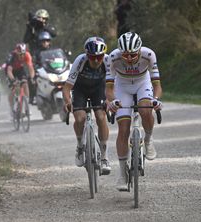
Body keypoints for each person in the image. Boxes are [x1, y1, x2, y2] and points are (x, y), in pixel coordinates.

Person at [105, 32, 163, 191]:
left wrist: (156, 99)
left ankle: (149, 139)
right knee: (123, 129)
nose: (129, 59)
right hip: (122, 86)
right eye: (125, 55)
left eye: (132, 55)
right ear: (119, 52)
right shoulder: (113, 57)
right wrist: (111, 101)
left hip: (142, 83)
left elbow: (156, 84)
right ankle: (123, 173)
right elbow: (109, 87)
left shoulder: (149, 55)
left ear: (139, 51)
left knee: (146, 109)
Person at [62, 37, 111, 174]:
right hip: (80, 89)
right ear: (87, 55)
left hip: (98, 89)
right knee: (79, 118)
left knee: (101, 117)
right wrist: (67, 102)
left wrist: (109, 100)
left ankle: (104, 157)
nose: (96, 60)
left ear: (103, 55)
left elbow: (113, 85)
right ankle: (79, 145)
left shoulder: (108, 61)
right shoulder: (80, 61)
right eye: (92, 57)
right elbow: (66, 88)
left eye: (99, 57)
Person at [5, 43, 35, 115]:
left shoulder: (27, 55)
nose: (22, 56)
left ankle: (27, 106)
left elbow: (31, 68)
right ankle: (11, 108)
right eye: (20, 54)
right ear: (16, 52)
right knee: (13, 88)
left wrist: (31, 78)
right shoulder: (12, 56)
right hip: (10, 71)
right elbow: (9, 71)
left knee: (25, 84)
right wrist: (13, 80)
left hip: (19, 69)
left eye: (23, 54)